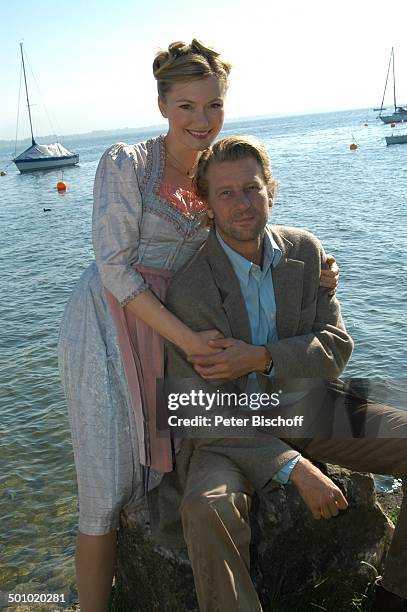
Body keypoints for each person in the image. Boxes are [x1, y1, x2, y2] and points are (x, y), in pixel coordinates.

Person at [58, 40, 339, 612]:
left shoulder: (215, 169)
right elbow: (114, 267)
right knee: (107, 487)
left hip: (179, 326)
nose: (201, 120)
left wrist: (317, 265)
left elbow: (245, 215)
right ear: (162, 105)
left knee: (147, 479)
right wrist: (186, 338)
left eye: (212, 105)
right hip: (115, 326)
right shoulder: (128, 163)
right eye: (186, 106)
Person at [159, 135, 407, 612]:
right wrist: (293, 469)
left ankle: (394, 594)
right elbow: (195, 410)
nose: (242, 204)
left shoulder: (306, 253)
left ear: (271, 188)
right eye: (226, 193)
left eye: (252, 188)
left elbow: (335, 349)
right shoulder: (190, 289)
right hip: (230, 431)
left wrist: (261, 357)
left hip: (309, 406)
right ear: (206, 204)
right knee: (206, 508)